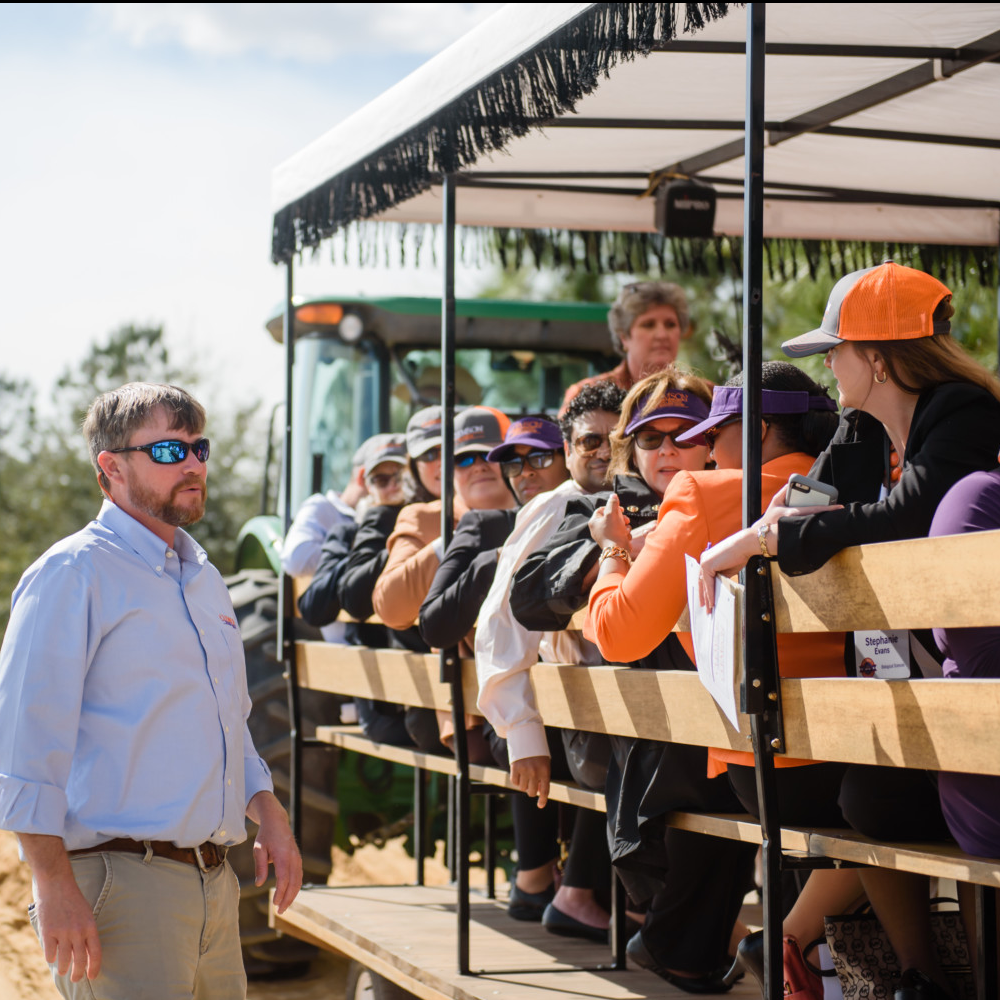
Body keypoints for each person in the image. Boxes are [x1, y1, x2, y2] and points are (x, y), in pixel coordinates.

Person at [700, 262, 1000, 1000]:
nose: (827, 367)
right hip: (937, 685)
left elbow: (905, 520)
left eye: (834, 350)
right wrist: (769, 530)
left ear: (878, 358)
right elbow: (817, 503)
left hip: (983, 693)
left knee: (879, 795)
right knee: (866, 799)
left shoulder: (966, 412)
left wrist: (770, 541)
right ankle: (927, 975)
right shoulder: (869, 423)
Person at [0, 382, 301, 1000]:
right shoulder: (71, 573)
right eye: (169, 450)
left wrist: (267, 808)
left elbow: (227, 717)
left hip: (214, 884)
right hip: (116, 884)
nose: (192, 464)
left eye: (199, 447)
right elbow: (22, 743)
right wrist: (54, 886)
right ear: (111, 467)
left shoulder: (206, 579)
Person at [587, 364, 851, 996]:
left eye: (712, 432)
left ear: (755, 430)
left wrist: (613, 552)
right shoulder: (873, 479)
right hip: (868, 754)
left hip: (770, 766)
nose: (702, 449)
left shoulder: (707, 495)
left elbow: (618, 634)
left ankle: (786, 940)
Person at [373, 406, 514, 755]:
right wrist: (455, 542)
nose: (479, 465)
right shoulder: (424, 518)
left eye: (491, 454)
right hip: (471, 707)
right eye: (463, 460)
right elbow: (389, 606)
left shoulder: (543, 506)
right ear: (450, 473)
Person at [297, 433, 410, 745]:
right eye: (380, 479)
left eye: (400, 476)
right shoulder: (347, 534)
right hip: (380, 698)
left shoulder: (433, 524)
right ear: (367, 485)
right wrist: (362, 557)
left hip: (430, 684)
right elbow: (314, 607)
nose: (391, 486)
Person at [281, 438, 369, 645]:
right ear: (363, 477)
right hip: (343, 645)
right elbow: (295, 559)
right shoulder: (323, 508)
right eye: (386, 479)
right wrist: (362, 557)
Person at [560, 281, 691, 415]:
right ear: (623, 337)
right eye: (648, 325)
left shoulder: (705, 396)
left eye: (670, 324)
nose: (662, 335)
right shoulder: (585, 396)